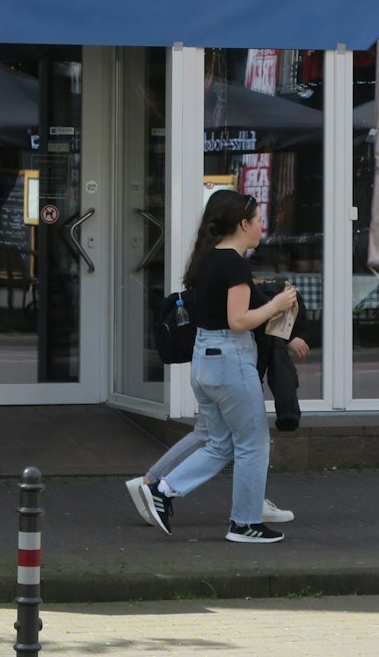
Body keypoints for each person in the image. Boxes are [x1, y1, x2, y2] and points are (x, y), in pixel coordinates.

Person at [135, 189, 297, 545]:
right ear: (243, 224)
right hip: (231, 360)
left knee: (219, 444)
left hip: (205, 359)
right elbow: (238, 320)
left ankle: (164, 490)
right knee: (254, 445)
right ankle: (245, 523)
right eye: (257, 221)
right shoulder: (234, 263)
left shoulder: (207, 259)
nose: (261, 227)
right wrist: (279, 305)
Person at [126, 297, 309, 528]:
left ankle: (154, 484)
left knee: (215, 438)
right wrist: (285, 329)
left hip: (214, 356)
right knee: (242, 442)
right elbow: (241, 314)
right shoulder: (230, 264)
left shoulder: (210, 264)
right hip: (231, 360)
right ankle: (157, 486)